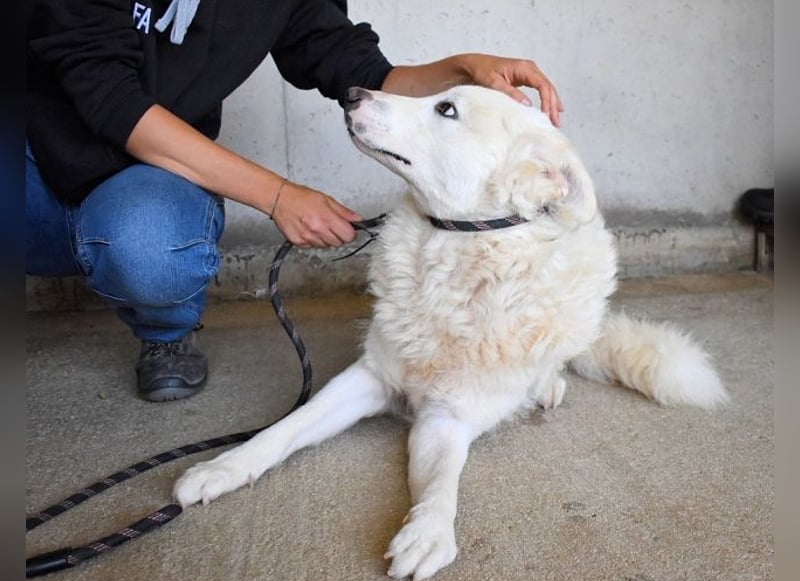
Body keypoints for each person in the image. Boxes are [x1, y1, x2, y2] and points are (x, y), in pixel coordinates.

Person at [26, 0, 564, 402]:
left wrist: (462, 68)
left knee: (148, 245)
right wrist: (278, 196)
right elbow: (110, 99)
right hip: (33, 154)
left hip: (147, 177)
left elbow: (359, 69)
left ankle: (165, 331)